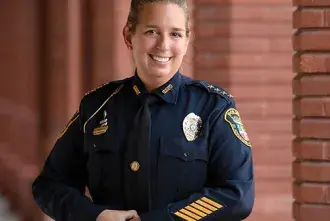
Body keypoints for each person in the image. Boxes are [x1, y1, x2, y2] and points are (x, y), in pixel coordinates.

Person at [32, 0, 255, 220]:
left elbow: (237, 195)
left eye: (176, 34)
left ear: (187, 40)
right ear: (129, 36)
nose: (164, 45)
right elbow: (49, 185)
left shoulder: (213, 108)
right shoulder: (97, 107)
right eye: (152, 32)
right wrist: (95, 216)